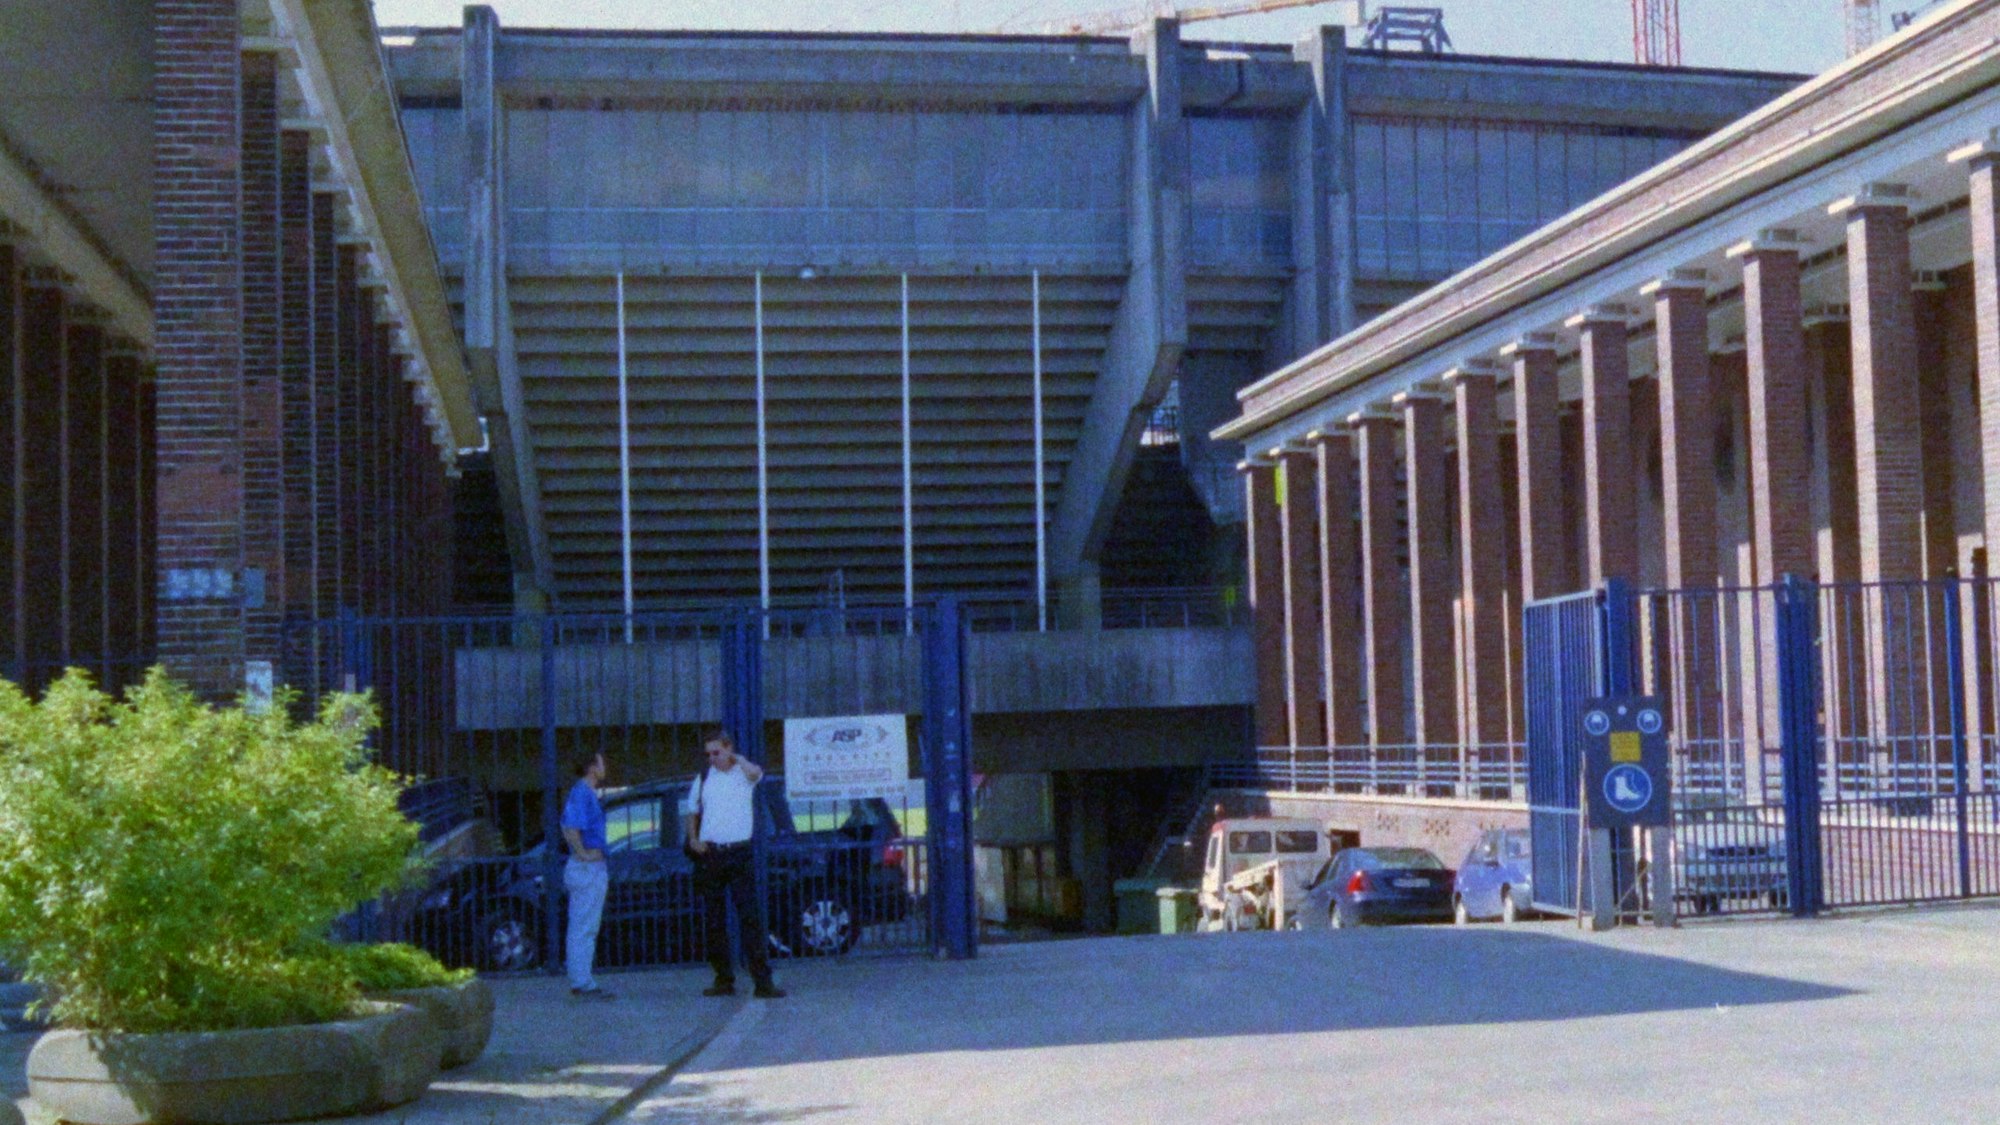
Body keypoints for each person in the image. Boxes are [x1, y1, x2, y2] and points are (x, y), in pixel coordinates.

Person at [685, 731, 784, 999]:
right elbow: (691, 811)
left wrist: (737, 759)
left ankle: (763, 982)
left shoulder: (743, 773)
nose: (712, 759)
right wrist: (693, 839)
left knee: (750, 919)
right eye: (708, 754)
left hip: (739, 853)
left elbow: (755, 774)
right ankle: (723, 978)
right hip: (712, 854)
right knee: (714, 920)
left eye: (716, 752)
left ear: (728, 749)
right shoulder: (704, 778)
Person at [560, 751, 615, 1001]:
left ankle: (582, 979)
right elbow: (570, 826)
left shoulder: (583, 792)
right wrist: (582, 853)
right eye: (602, 763)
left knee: (584, 925)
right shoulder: (582, 792)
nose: (605, 767)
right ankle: (582, 983)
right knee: (584, 926)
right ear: (593, 768)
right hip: (587, 869)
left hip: (589, 867)